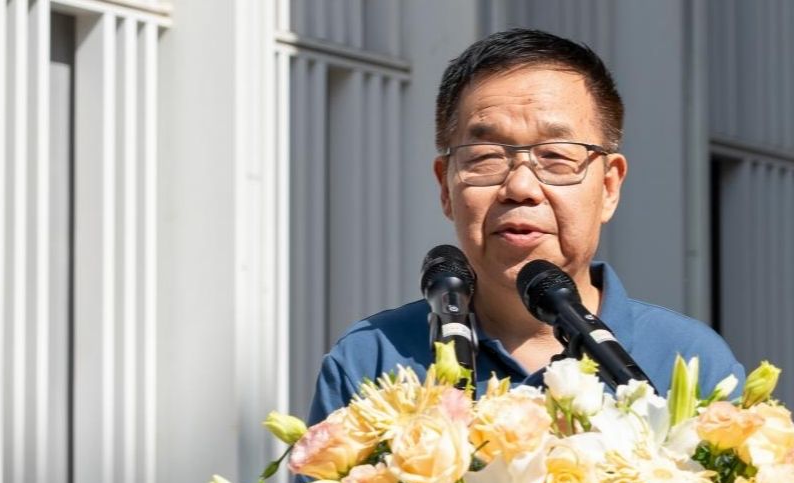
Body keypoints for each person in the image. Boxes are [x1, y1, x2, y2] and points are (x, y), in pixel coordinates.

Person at [307, 28, 743, 426]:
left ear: (609, 187)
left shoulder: (688, 359)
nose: (520, 187)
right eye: (485, 157)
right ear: (445, 187)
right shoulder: (374, 359)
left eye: (556, 156)